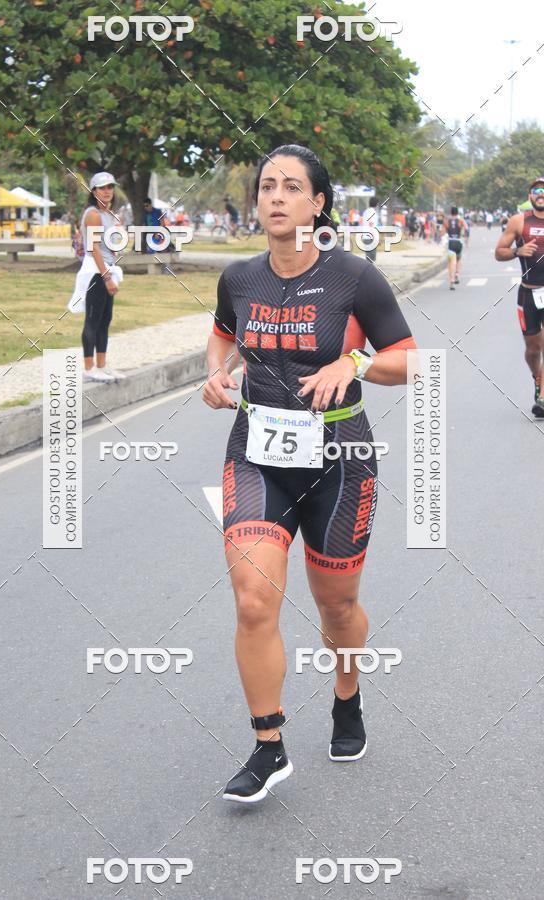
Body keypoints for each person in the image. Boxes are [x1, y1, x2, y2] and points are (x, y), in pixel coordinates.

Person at [203, 144, 417, 803]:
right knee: (252, 598)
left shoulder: (354, 277)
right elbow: (223, 334)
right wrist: (215, 372)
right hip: (256, 453)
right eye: (267, 185)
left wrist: (353, 363)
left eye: (291, 187)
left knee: (337, 605)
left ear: (318, 203)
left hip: (339, 459)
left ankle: (347, 695)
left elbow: (409, 359)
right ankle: (268, 745)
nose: (275, 196)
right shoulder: (239, 277)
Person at [495, 176, 544, 417]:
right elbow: (499, 252)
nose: (541, 193)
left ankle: (543, 396)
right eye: (536, 190)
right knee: (533, 349)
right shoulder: (518, 221)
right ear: (530, 196)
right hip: (528, 293)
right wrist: (518, 251)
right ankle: (538, 379)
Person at [71, 172, 125, 382]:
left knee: (105, 319)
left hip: (107, 268)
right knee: (93, 320)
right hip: (96, 271)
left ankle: (102, 365)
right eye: (102, 188)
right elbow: (93, 248)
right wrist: (106, 277)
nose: (107, 191)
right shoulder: (93, 214)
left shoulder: (109, 214)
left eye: (110, 187)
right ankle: (89, 368)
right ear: (94, 191)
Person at [441, 206, 467, 290]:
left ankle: (452, 281)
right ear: (457, 213)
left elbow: (442, 233)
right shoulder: (461, 220)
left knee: (451, 263)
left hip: (451, 242)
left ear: (451, 212)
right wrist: (464, 236)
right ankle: (457, 274)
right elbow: (466, 228)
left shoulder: (446, 221)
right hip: (458, 242)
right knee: (458, 259)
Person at [361, 197, 378, 262]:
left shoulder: (366, 211)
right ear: (376, 204)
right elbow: (371, 224)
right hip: (371, 236)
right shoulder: (372, 212)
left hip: (365, 236)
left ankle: (367, 267)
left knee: (368, 257)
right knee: (371, 258)